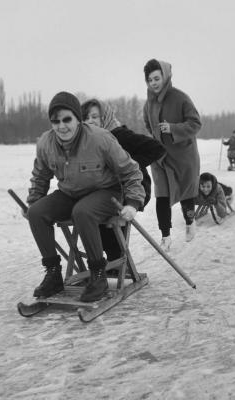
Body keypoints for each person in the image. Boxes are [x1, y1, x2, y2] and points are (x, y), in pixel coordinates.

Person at [25, 91, 145, 302]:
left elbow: (131, 171)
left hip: (106, 192)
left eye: (67, 119)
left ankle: (98, 276)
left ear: (77, 119)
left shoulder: (100, 138)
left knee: (82, 211)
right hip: (70, 193)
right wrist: (34, 201)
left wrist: (133, 203)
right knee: (36, 213)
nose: (61, 126)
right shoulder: (45, 143)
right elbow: (41, 176)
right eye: (55, 121)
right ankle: (53, 275)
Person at [81, 98, 166, 260]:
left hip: (133, 188)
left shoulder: (118, 134)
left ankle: (118, 260)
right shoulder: (87, 141)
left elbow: (156, 148)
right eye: (86, 118)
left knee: (112, 222)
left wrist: (126, 165)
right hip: (109, 190)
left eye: (94, 117)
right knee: (98, 220)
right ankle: (112, 261)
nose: (90, 121)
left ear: (104, 117)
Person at [142, 58, 201, 249]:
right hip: (160, 157)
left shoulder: (181, 97)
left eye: (156, 78)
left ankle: (190, 222)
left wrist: (173, 128)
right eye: (150, 80)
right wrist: (155, 137)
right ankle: (165, 236)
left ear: (165, 76)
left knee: (186, 193)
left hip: (183, 155)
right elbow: (147, 123)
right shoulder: (148, 103)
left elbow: (195, 123)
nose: (154, 83)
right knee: (162, 195)